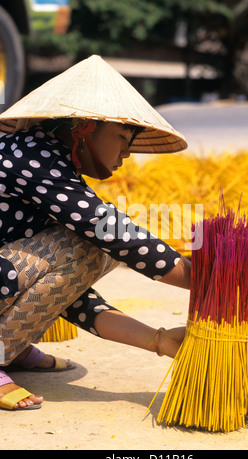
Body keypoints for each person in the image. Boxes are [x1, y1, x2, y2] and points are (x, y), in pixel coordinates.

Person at [0, 55, 190, 410]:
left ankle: (10, 346)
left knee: (90, 250)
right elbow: (111, 231)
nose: (127, 154)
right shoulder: (31, 157)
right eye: (122, 137)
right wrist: (196, 276)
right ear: (85, 126)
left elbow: (62, 294)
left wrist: (159, 341)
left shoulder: (48, 161)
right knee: (93, 247)